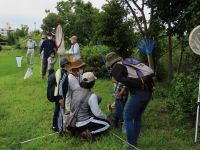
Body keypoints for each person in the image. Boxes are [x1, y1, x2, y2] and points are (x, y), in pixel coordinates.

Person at [105, 52, 154, 147]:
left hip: (139, 93)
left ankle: (131, 145)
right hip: (148, 91)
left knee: (127, 117)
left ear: (110, 62)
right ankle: (133, 142)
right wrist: (143, 81)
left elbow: (123, 81)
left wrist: (140, 81)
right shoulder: (127, 63)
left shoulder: (116, 67)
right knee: (137, 117)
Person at [70, 72, 110, 139]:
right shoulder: (91, 95)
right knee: (106, 124)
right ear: (93, 83)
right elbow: (97, 113)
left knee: (96, 119)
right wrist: (106, 117)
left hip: (73, 121)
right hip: (83, 122)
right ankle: (85, 134)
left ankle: (77, 130)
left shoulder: (75, 91)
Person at [52, 58, 70, 132]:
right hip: (60, 97)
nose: (69, 65)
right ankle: (60, 130)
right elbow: (60, 86)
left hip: (58, 96)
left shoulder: (60, 71)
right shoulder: (63, 74)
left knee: (57, 111)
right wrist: (61, 98)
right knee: (60, 112)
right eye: (68, 63)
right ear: (65, 64)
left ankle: (54, 126)